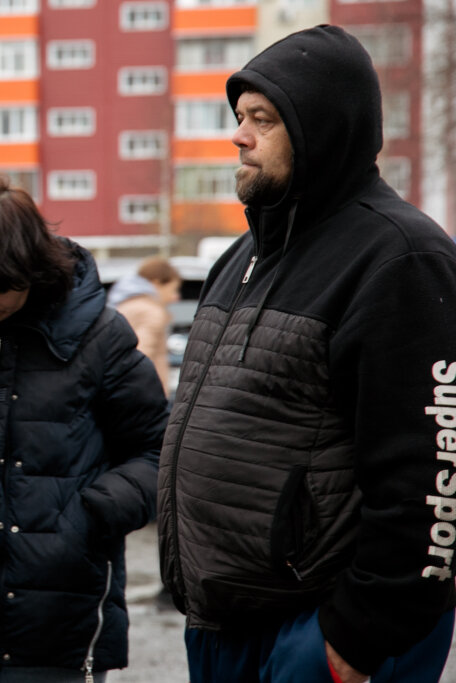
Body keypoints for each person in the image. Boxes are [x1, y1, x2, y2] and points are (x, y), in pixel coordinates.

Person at [157, 24, 456, 683]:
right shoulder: (248, 256)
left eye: (261, 119)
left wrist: (356, 635)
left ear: (321, 126)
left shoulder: (400, 257)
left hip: (321, 636)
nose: (239, 135)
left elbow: (430, 477)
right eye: (239, 117)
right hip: (226, 628)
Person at [0, 173, 170, 682]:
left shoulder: (99, 337)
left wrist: (92, 514)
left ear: (30, 267)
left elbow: (160, 450)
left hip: (61, 629)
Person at [106, 256, 182, 396]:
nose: (175, 297)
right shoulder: (151, 312)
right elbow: (142, 356)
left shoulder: (123, 303)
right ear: (157, 282)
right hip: (145, 392)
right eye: (172, 289)